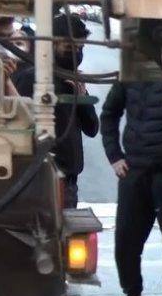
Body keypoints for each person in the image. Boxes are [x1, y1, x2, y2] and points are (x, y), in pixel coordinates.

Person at [100, 77, 162, 296]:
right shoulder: (128, 75)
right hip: (134, 171)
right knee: (125, 240)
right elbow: (108, 114)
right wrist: (114, 155)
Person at [13, 12, 98, 208]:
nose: (76, 53)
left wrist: (82, 97)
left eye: (80, 48)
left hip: (68, 180)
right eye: (69, 47)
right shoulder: (31, 79)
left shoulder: (74, 81)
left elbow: (92, 128)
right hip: (38, 178)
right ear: (52, 46)